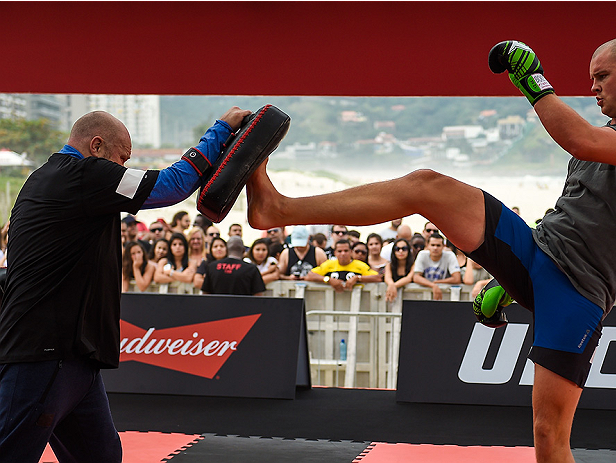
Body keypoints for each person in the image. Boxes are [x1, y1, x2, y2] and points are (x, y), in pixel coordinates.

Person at [245, 38, 616, 462]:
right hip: (536, 253)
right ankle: (275, 208)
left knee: (549, 438)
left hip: (578, 295)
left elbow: (581, 140)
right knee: (426, 184)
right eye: (591, 78)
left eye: (601, 76)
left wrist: (533, 82)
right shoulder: (597, 143)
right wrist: (506, 283)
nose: (592, 88)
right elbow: (574, 210)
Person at [0, 106, 252, 461]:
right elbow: (173, 184)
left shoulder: (55, 180)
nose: (123, 168)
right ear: (97, 146)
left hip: (74, 359)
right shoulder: (84, 174)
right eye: (122, 158)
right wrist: (221, 130)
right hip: (44, 354)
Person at [305, 239, 380, 292]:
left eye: (346, 251)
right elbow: (310, 275)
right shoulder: (329, 264)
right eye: (340, 251)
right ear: (335, 253)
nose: (343, 254)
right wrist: (328, 280)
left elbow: (378, 278)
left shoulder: (360, 265)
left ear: (351, 252)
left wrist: (357, 278)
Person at [201, 236, 266, 296]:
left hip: (216, 307)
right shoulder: (251, 269)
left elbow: (205, 294)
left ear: (227, 249)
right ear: (243, 250)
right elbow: (258, 296)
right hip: (244, 308)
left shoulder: (212, 267)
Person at [412, 232, 462, 300]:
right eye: (432, 245)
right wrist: (433, 285)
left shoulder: (450, 255)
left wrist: (437, 282)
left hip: (445, 295)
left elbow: (457, 278)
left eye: (438, 245)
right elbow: (416, 277)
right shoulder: (422, 254)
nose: (435, 248)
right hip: (424, 295)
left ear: (443, 246)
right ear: (427, 245)